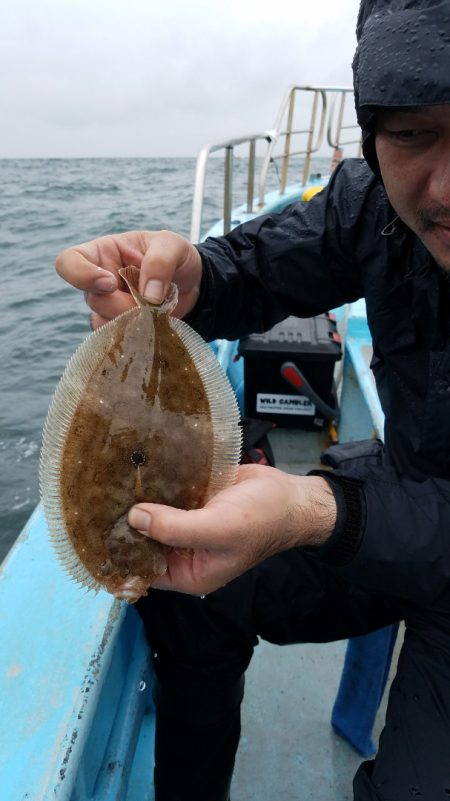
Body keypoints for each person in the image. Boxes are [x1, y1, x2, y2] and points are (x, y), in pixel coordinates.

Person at [55, 1, 450, 798]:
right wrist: (189, 279)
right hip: (404, 497)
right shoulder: (374, 204)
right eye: (413, 132)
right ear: (376, 134)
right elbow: (261, 267)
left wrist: (317, 512)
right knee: (189, 587)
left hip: (401, 521)